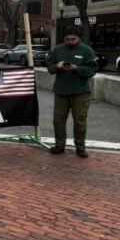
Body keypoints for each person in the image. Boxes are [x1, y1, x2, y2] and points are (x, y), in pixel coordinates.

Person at [45, 26, 100, 158]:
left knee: (79, 121)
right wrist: (57, 66)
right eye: (67, 39)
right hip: (61, 91)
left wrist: (77, 69)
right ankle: (59, 145)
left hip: (80, 92)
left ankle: (80, 147)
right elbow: (50, 68)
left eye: (73, 39)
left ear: (78, 38)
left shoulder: (86, 50)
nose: (70, 42)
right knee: (58, 120)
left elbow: (92, 70)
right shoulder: (57, 49)